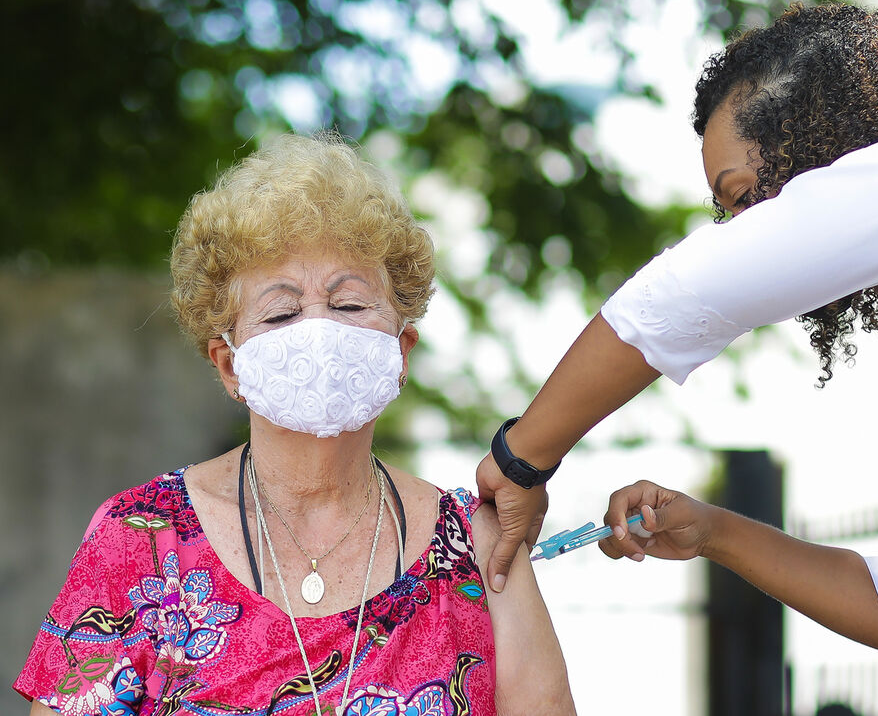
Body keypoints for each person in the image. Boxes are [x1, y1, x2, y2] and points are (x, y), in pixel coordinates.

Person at [476, 1, 878, 669]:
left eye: (744, 197)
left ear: (819, 130)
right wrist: (712, 530)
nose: (744, 234)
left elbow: (683, 296)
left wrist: (520, 461)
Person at [15, 133, 575, 715]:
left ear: (401, 352)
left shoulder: (479, 546)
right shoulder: (137, 541)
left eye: (350, 305)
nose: (318, 332)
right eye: (281, 312)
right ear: (230, 365)